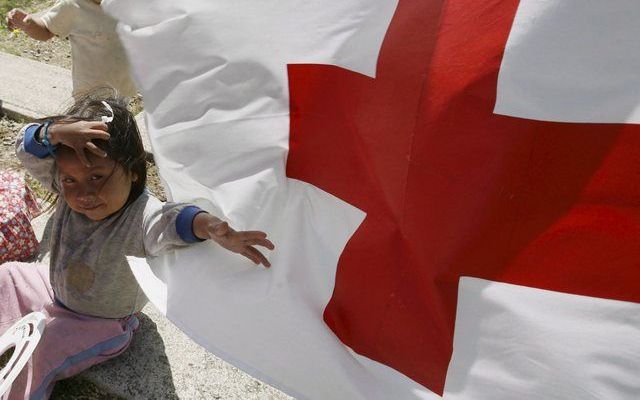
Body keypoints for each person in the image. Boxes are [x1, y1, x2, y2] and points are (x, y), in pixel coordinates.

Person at [0, 92, 274, 399]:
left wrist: (210, 227)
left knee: (39, 351)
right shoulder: (66, 187)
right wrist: (50, 132)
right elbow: (26, 151)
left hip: (99, 322)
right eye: (70, 180)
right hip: (53, 290)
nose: (83, 192)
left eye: (97, 176)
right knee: (7, 275)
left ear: (133, 171)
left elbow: (173, 220)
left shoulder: (141, 216)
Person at [6, 0, 137, 99]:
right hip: (90, 95)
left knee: (120, 128)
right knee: (94, 131)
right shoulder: (72, 6)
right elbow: (46, 30)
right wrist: (29, 25)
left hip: (124, 88)